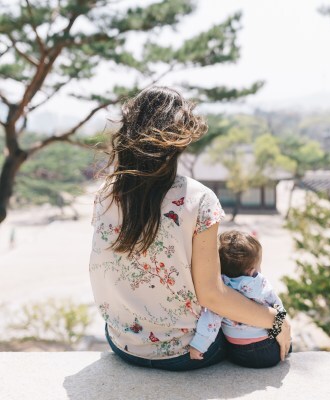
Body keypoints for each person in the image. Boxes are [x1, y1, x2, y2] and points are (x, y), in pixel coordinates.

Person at [89, 86, 291, 371]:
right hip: (182, 353)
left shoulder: (107, 193)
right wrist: (277, 320)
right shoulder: (199, 199)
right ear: (178, 141)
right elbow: (212, 296)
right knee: (265, 340)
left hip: (123, 343)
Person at [189, 230, 292, 368]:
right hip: (266, 350)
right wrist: (279, 330)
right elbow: (278, 307)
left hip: (237, 352)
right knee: (288, 344)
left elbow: (210, 321)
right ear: (251, 271)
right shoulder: (259, 284)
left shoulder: (220, 288)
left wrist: (198, 346)